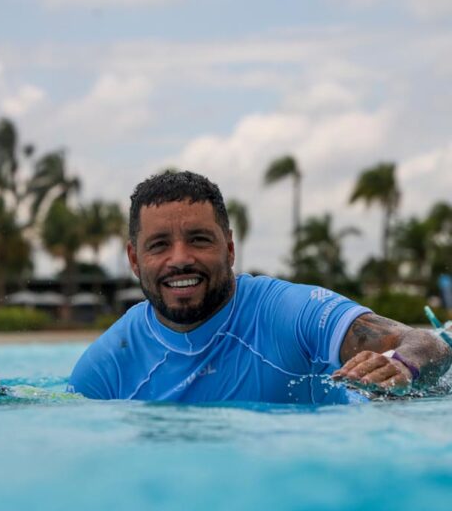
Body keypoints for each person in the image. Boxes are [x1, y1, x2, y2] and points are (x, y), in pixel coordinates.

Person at [67, 171, 452, 404]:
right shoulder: (109, 364)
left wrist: (400, 366)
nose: (180, 258)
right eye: (159, 244)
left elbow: (426, 345)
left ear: (230, 248)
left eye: (199, 239)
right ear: (134, 260)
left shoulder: (287, 312)